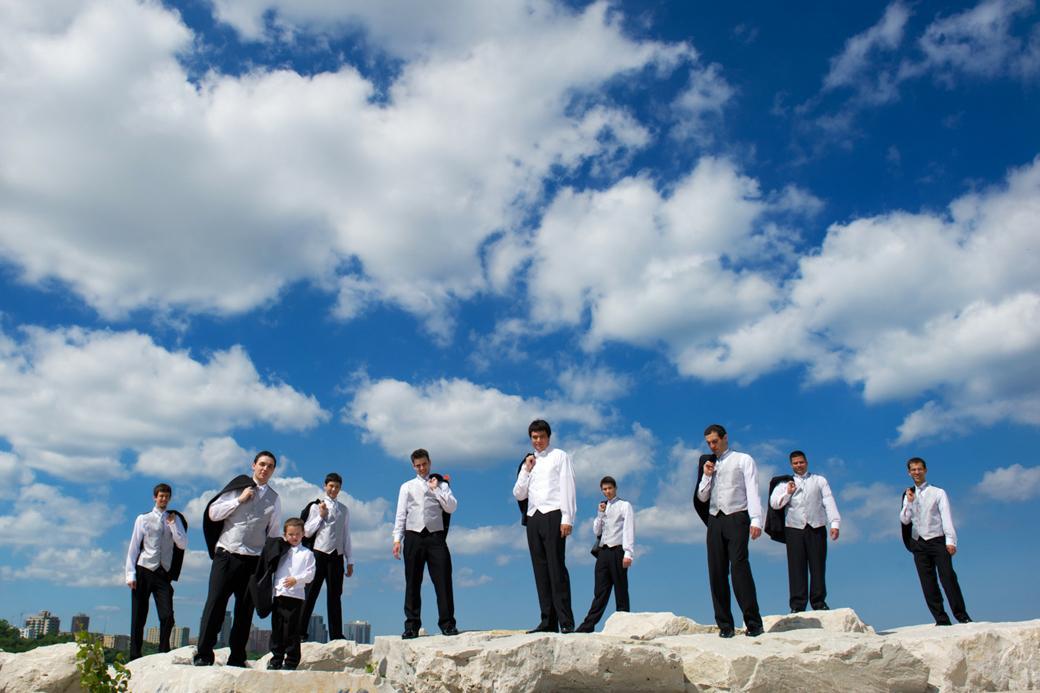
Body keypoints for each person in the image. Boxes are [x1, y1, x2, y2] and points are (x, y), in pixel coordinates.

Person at [194, 451, 282, 667]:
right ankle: (204, 654)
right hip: (227, 555)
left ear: (273, 471)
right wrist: (239, 500)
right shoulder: (237, 488)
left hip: (253, 560)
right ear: (253, 465)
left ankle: (237, 657)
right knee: (215, 603)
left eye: (270, 466)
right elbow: (213, 513)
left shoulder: (274, 498)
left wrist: (269, 564)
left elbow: (273, 533)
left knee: (245, 611)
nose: (265, 469)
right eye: (262, 464)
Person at [694, 424, 764, 638]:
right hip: (715, 520)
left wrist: (756, 519)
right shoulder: (709, 463)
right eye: (708, 443)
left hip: (737, 517)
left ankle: (753, 622)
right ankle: (725, 625)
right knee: (716, 571)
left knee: (740, 567)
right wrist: (707, 475)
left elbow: (753, 490)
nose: (712, 446)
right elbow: (702, 497)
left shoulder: (743, 459)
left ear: (725, 438)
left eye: (715, 441)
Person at [512, 419, 577, 633]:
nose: (538, 441)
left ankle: (566, 621)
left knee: (556, 567)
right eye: (534, 437)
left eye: (541, 437)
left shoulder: (559, 456)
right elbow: (518, 493)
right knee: (540, 570)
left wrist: (567, 518)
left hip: (554, 514)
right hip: (533, 517)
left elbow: (568, 487)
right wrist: (526, 470)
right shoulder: (528, 462)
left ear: (548, 437)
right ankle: (547, 621)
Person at [392, 449, 459, 638]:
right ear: (413, 466)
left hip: (436, 537)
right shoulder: (406, 487)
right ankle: (411, 626)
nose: (422, 468)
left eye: (424, 464)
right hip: (413, 536)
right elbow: (401, 514)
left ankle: (447, 623)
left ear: (429, 462)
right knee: (412, 581)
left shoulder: (442, 484)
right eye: (418, 465)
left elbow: (452, 507)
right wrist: (397, 539)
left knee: (443, 580)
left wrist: (436, 489)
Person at [900, 457, 971, 626]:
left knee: (948, 578)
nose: (917, 472)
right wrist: (909, 503)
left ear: (925, 470)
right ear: (909, 473)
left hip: (938, 540)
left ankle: (962, 616)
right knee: (928, 582)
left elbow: (946, 517)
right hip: (918, 543)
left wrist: (951, 540)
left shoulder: (938, 492)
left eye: (919, 469)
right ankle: (941, 619)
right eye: (913, 470)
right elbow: (904, 520)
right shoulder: (908, 494)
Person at [768, 450, 840, 613]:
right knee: (796, 567)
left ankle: (819, 602)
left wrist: (835, 523)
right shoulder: (784, 483)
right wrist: (788, 493)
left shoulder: (819, 480)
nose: (799, 465)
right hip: (794, 528)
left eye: (801, 462)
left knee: (818, 565)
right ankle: (797, 605)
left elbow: (828, 501)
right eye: (795, 463)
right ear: (791, 465)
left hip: (816, 527)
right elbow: (774, 503)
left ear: (806, 462)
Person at [125, 483, 187, 660]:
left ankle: (163, 652)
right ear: (155, 497)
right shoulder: (143, 519)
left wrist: (173, 525)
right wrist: (130, 574)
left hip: (163, 573)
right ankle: (135, 656)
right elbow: (134, 547)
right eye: (161, 496)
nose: (164, 499)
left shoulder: (174, 519)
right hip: (144, 570)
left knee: (167, 616)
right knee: (138, 616)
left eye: (166, 496)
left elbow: (182, 543)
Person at [250, 518, 316, 670]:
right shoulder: (280, 550)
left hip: (296, 596)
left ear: (303, 534)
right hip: (279, 594)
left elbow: (310, 574)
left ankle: (291, 661)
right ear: (285, 535)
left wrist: (296, 579)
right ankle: (276, 659)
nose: (294, 537)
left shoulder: (307, 554)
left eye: (297, 534)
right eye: (291, 534)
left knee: (292, 630)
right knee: (277, 629)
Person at [299, 473, 353, 641]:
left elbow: (346, 535)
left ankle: (336, 635)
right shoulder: (316, 506)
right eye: (331, 486)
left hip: (337, 556)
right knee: (310, 593)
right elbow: (307, 532)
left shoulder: (344, 510)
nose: (333, 489)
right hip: (318, 554)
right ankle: (299, 632)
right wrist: (320, 516)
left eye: (337, 487)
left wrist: (350, 560)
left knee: (335, 596)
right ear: (325, 486)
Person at [576, 476, 634, 633]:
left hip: (618, 550)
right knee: (600, 591)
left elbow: (629, 529)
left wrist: (628, 553)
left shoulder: (624, 505)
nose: (607, 491)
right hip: (603, 552)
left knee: (621, 589)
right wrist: (600, 514)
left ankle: (624, 625)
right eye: (604, 489)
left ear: (615, 488)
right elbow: (597, 531)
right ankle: (588, 626)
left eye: (610, 488)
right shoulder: (603, 507)